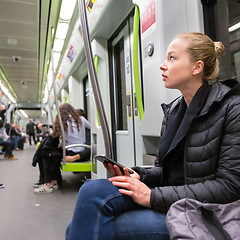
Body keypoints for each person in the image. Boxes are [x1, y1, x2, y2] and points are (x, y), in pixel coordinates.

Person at [65, 32, 240, 240]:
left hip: (207, 212)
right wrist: (140, 175)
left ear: (197, 67)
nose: (162, 65)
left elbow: (229, 186)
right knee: (90, 191)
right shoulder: (175, 111)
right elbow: (167, 171)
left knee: (88, 226)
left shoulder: (232, 108)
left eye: (172, 58)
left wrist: (152, 196)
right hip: (172, 197)